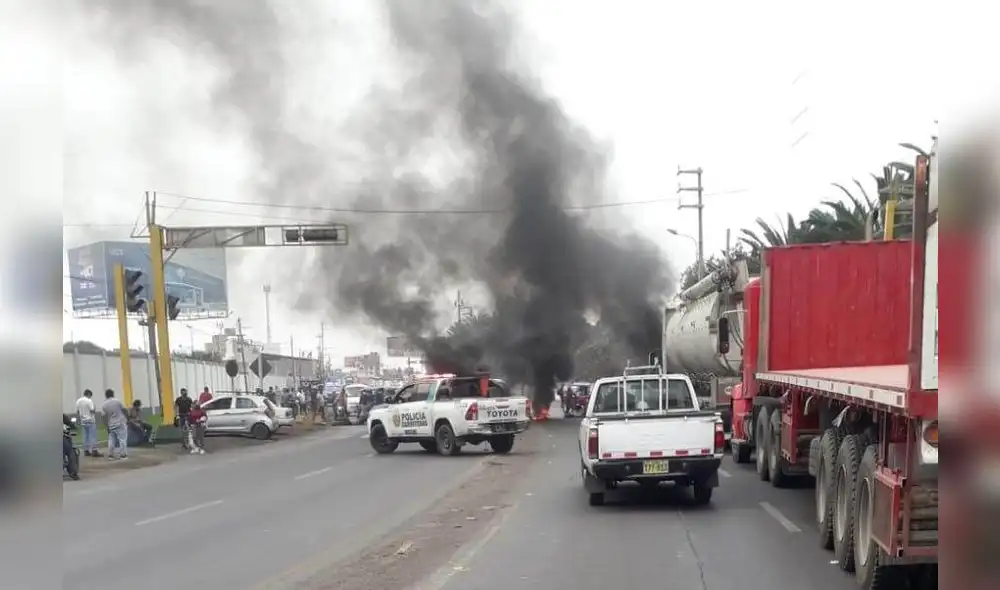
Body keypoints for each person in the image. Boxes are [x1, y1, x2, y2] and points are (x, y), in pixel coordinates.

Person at [101, 389, 128, 460]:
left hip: (111, 424)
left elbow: (104, 417)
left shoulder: (104, 404)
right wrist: (128, 418)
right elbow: (124, 410)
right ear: (113, 394)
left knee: (111, 440)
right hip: (120, 423)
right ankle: (123, 455)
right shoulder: (117, 401)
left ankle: (110, 455)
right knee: (122, 439)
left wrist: (107, 426)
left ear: (106, 395)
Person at [75, 389, 100, 457]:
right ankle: (94, 451)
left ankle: (86, 451)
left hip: (83, 421)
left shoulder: (78, 401)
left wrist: (80, 418)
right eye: (90, 396)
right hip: (90, 420)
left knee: (85, 436)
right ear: (88, 394)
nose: (90, 397)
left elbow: (78, 411)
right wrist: (94, 409)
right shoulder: (89, 400)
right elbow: (92, 411)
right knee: (93, 436)